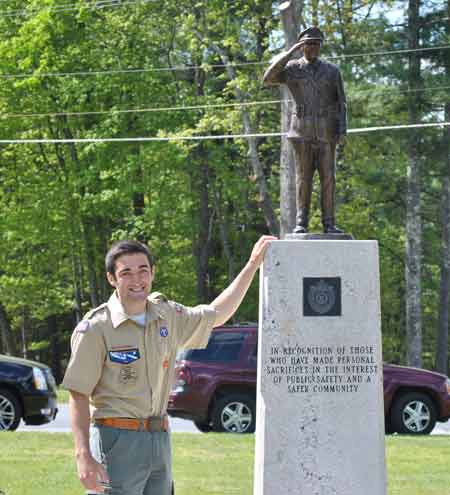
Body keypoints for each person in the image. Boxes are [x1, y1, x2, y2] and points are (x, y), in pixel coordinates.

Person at [62, 235, 276, 495]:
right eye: (126, 273)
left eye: (143, 270)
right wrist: (82, 454)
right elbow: (78, 393)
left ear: (152, 273)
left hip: (159, 439)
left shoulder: (167, 316)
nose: (137, 280)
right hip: (116, 441)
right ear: (112, 279)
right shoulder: (96, 328)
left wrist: (252, 264)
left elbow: (217, 314)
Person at [263, 26, 347, 234]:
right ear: (302, 47)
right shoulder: (292, 68)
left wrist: (342, 130)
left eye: (317, 43)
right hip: (301, 132)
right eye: (309, 44)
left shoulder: (332, 71)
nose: (313, 47)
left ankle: (329, 223)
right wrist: (289, 52)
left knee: (328, 178)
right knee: (304, 178)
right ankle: (302, 222)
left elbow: (341, 103)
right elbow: (268, 78)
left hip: (326, 132)